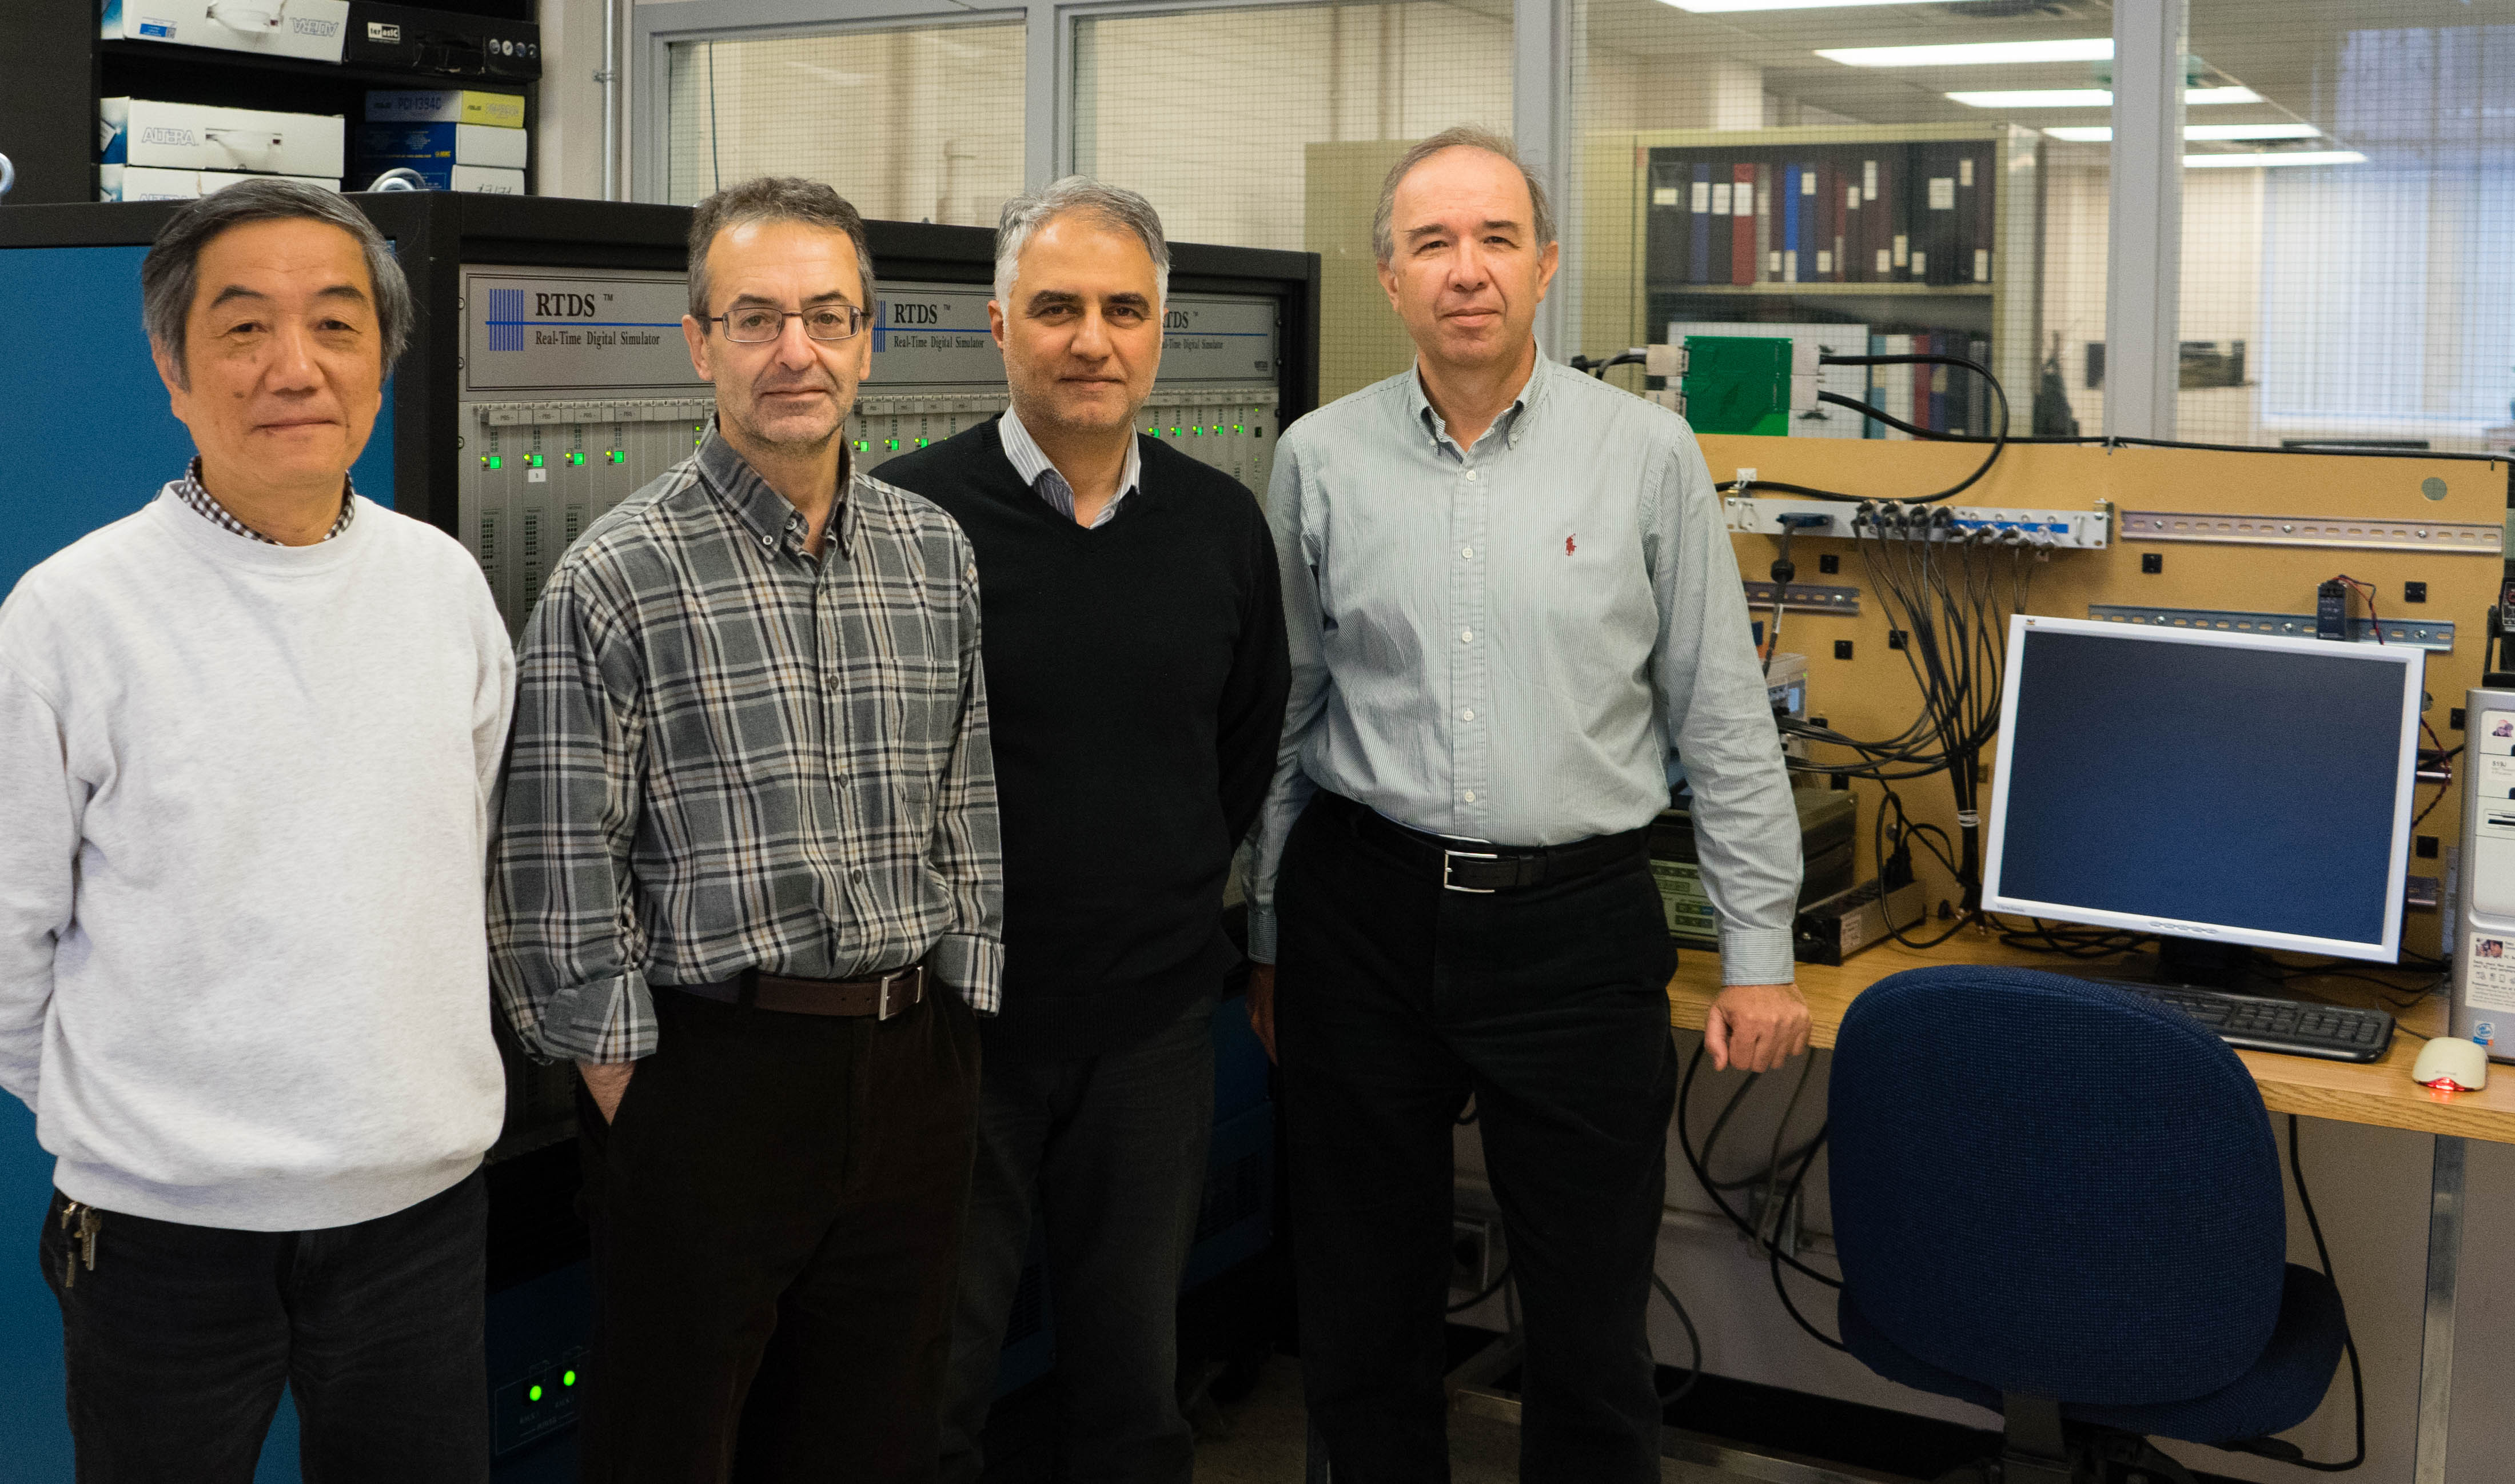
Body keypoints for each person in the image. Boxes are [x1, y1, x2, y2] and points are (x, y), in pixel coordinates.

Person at [1246, 126, 1811, 1481]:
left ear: (1545, 265)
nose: (1466, 271)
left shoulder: (1646, 453)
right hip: (1360, 911)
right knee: (1360, 1309)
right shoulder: (1318, 458)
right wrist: (1267, 932)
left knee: (1590, 1326)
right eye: (1431, 242)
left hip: (1573, 930)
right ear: (1387, 277)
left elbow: (1719, 713)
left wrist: (1759, 951)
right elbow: (1288, 712)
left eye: (1495, 238)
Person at [488, 175, 1002, 1484]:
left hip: (906, 1069)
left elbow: (966, 798)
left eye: (827, 317)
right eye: (758, 317)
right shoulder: (615, 574)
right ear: (699, 339)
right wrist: (635, 1099)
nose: (796, 350)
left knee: (875, 1440)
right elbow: (554, 875)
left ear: (865, 339)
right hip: (707, 1075)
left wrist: (956, 1019)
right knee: (672, 1445)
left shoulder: (933, 552)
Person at [0, 178, 512, 1482]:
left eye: (336, 324)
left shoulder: (444, 588)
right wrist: (138, 1132)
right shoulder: (71, 616)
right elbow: (8, 938)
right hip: (162, 1236)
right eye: (243, 328)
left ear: (383, 361)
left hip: (417, 1216)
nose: (297, 366)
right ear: (173, 367)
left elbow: (468, 862)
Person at [871, 178, 1289, 1484]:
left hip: (1153, 1031)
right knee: (928, 1381)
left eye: (1122, 309)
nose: (1089, 339)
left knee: (1131, 1383)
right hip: (958, 1032)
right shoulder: (908, 521)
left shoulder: (1221, 526)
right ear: (999, 327)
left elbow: (1243, 744)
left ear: (1160, 329)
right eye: (1056, 308)